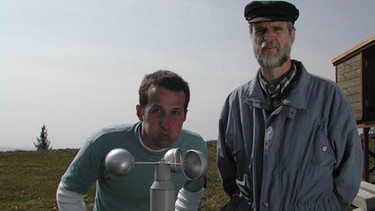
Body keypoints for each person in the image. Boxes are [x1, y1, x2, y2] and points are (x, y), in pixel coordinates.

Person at [217, 1, 363, 210]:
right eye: (260, 30)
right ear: (251, 36)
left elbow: (348, 176)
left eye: (277, 29)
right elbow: (228, 175)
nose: (268, 37)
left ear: (292, 35)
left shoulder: (330, 99)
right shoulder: (235, 104)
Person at [56, 70, 207, 211]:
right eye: (157, 111)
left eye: (175, 112)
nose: (165, 123)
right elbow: (69, 193)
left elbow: (192, 193)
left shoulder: (194, 147)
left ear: (185, 115)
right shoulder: (103, 143)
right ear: (140, 112)